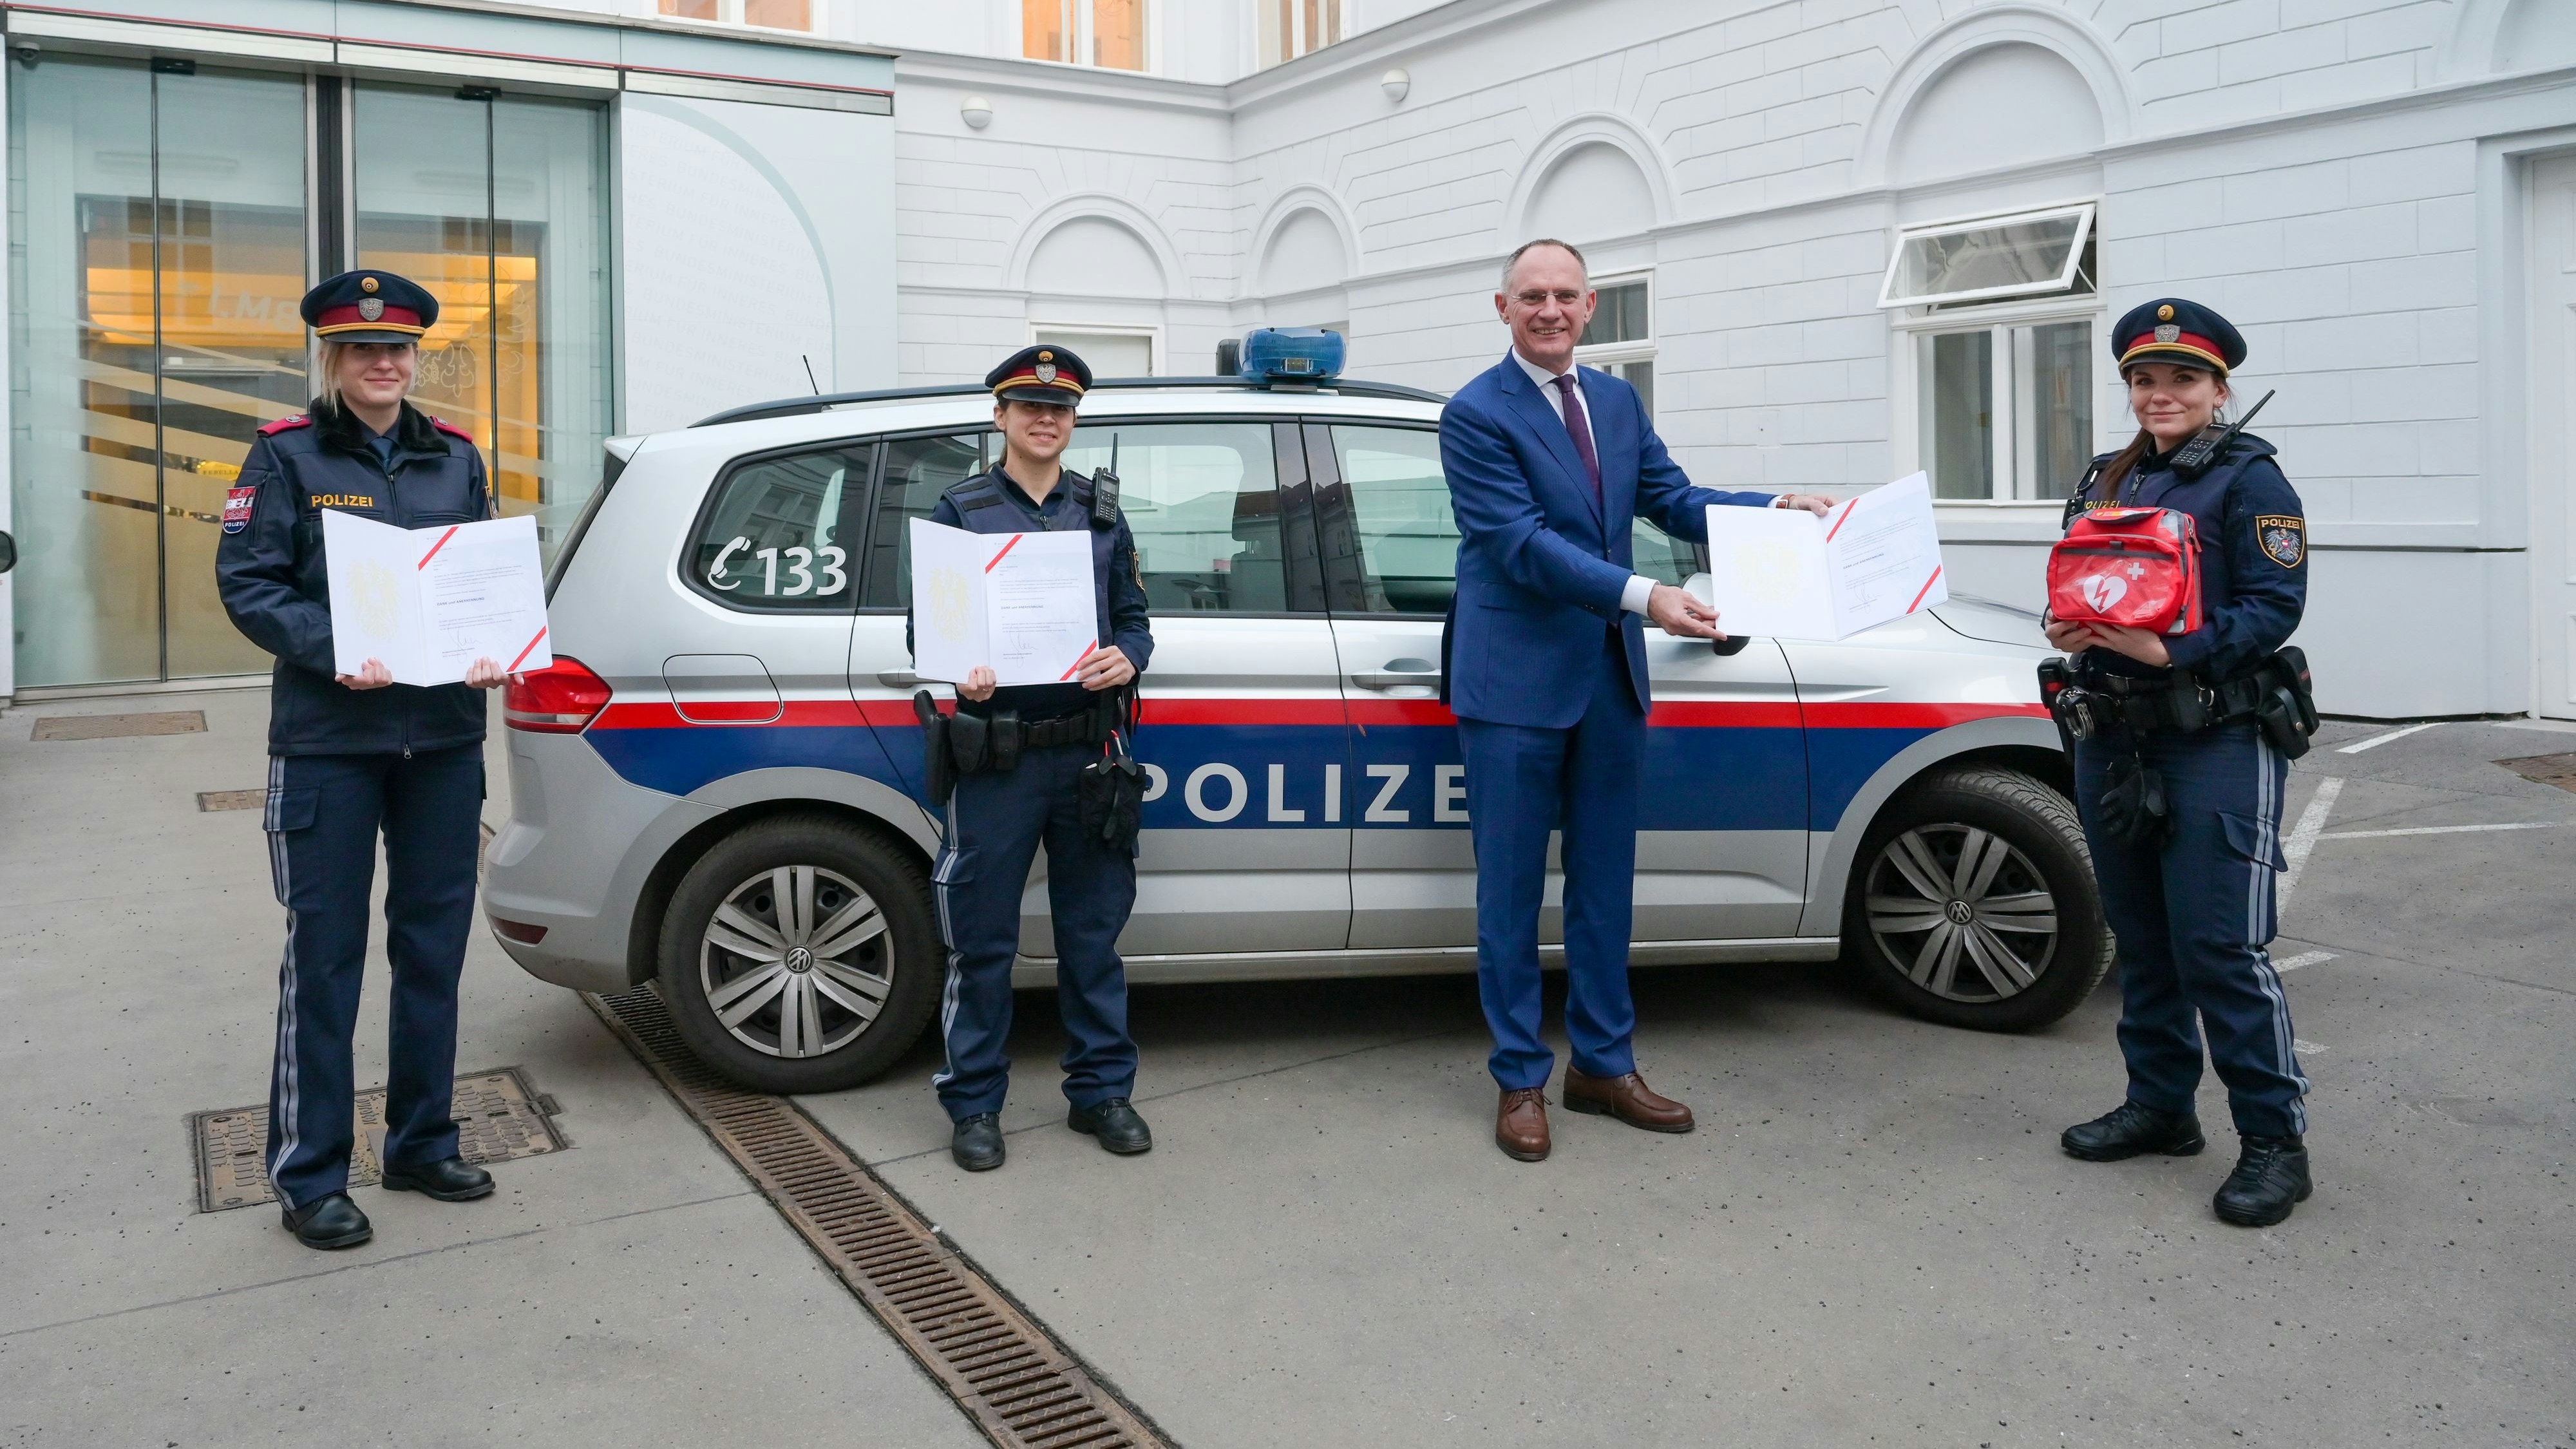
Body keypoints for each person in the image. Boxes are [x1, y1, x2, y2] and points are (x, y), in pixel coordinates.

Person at [1440, 239, 1834, 1162]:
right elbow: (1518, 543)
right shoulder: (1473, 413)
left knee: (1605, 887)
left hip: (1608, 680)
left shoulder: (1614, 400)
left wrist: (1772, 512)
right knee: (1507, 896)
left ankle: (1603, 1067)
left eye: (1565, 296)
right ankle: (1518, 1079)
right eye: (1531, 296)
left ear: (1591, 308)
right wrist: (1645, 596)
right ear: (1503, 309)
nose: (1549, 310)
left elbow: (1671, 496)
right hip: (1514, 687)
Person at [215, 270, 518, 1249]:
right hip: (328, 746)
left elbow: (482, 580)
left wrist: (495, 642)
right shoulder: (284, 457)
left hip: (438, 741)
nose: (381, 363)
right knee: (327, 959)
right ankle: (310, 1175)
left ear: (415, 359)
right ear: (331, 361)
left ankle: (422, 1141)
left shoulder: (456, 459)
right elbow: (248, 584)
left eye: (396, 351)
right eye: (360, 350)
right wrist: (333, 642)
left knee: (432, 952)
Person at [2046, 298, 2316, 1227]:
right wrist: (2065, 628)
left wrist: (2179, 651)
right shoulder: (2104, 478)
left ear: (2218, 388)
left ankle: (2275, 1142)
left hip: (2214, 735)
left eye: (2182, 378)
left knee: (2219, 948)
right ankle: (2161, 1107)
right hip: (2112, 730)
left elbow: (2275, 605)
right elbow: (2082, 578)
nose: (2161, 394)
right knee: (2144, 939)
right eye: (2144, 378)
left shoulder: (2251, 478)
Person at [913, 345, 1155, 1173]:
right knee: (981, 943)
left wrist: (1128, 657)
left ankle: (1101, 1094)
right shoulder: (960, 510)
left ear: (1074, 418)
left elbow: (1133, 618)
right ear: (1001, 417)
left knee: (1093, 936)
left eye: (1058, 408)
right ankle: (974, 1104)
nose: (1044, 418)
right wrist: (962, 666)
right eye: (1027, 406)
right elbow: (928, 632)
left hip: (1090, 753)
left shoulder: (1103, 511)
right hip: (998, 757)